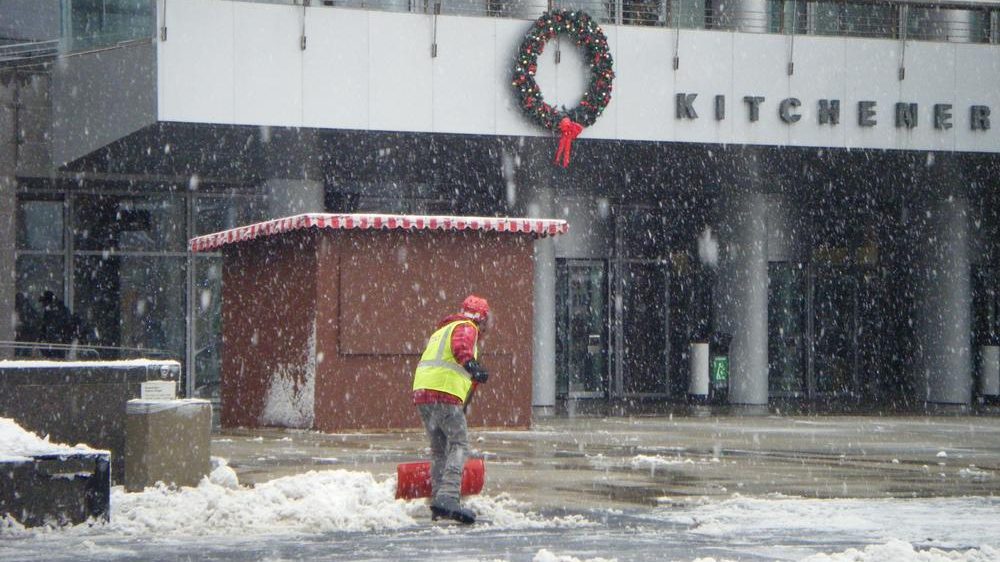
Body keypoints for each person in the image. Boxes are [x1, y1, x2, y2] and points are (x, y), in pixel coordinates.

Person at [411, 294, 492, 524]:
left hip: (422, 392)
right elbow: (461, 348)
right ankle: (448, 496)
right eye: (486, 320)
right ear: (481, 317)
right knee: (458, 444)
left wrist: (472, 376)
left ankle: (438, 501)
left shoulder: (442, 330)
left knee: (439, 448)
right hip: (443, 392)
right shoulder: (467, 327)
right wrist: (472, 364)